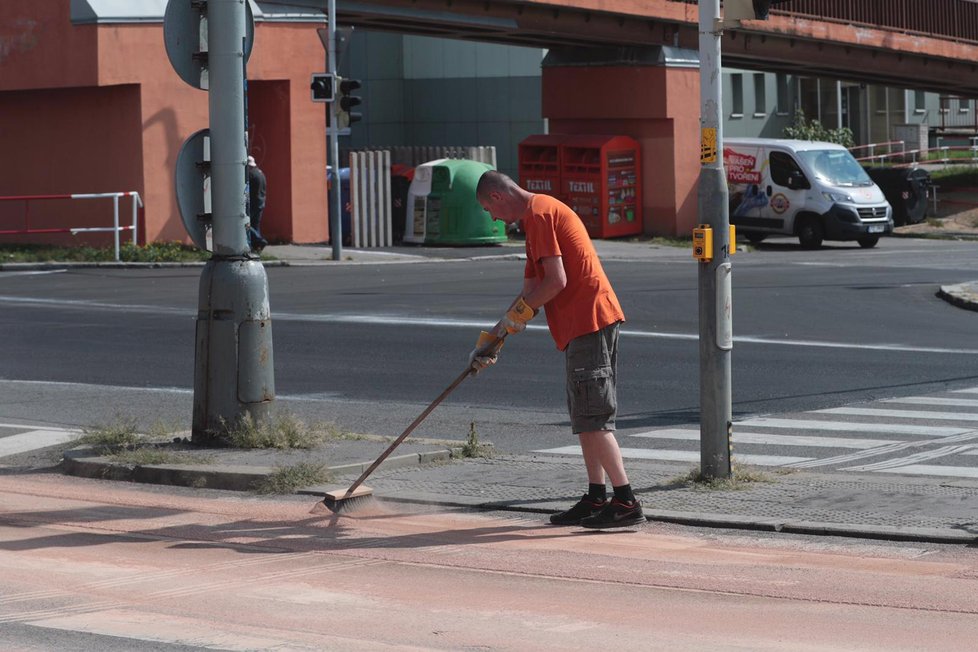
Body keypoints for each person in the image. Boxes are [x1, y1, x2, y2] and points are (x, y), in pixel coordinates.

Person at [471, 170, 644, 529]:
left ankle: (625, 501)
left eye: (489, 209)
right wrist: (495, 337)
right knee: (584, 417)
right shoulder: (534, 220)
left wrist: (513, 322)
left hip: (589, 321)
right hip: (580, 327)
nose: (492, 218)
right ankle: (597, 496)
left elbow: (556, 282)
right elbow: (531, 288)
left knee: (594, 418)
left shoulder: (540, 215)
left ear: (498, 197)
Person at [246, 155, 269, 253]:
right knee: (255, 225)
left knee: (245, 224)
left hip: (253, 202)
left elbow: (246, 190)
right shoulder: (260, 173)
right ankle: (256, 247)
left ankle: (259, 240)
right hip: (261, 201)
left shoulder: (250, 174)